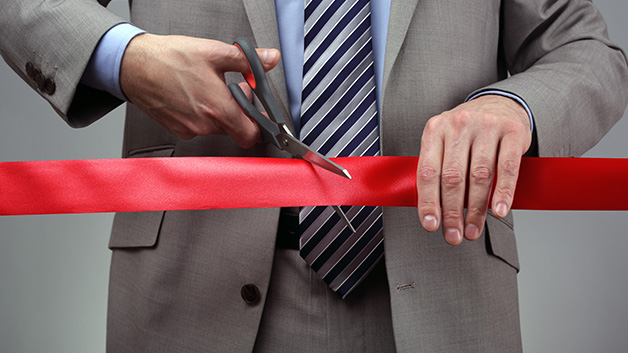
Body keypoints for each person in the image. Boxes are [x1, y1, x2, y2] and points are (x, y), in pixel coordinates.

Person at [1, 0, 627, 351]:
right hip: (192, 295)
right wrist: (127, 57)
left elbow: (588, 50)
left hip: (443, 292)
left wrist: (513, 107)